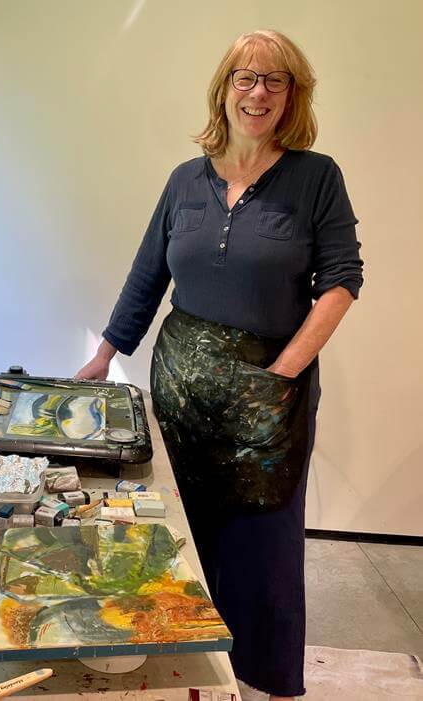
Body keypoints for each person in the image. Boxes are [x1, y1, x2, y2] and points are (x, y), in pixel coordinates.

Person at [76, 29, 363, 701]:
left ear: (293, 95)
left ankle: (271, 684)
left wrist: (282, 375)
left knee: (263, 556)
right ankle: (186, 678)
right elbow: (147, 277)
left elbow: (343, 281)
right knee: (178, 542)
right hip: (180, 399)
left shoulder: (316, 178)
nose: (258, 92)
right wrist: (101, 358)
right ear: (223, 89)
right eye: (245, 78)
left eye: (274, 80)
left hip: (268, 408)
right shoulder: (185, 181)